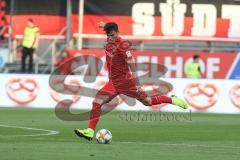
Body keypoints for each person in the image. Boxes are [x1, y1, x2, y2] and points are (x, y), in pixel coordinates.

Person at [74, 22, 188, 140]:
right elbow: (110, 29)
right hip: (113, 82)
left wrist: (137, 84)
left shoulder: (123, 46)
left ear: (118, 33)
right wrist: (105, 26)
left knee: (147, 101)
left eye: (112, 35)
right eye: (108, 36)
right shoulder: (109, 40)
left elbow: (131, 64)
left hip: (126, 82)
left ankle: (171, 99)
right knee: (96, 103)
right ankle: (90, 131)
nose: (110, 38)